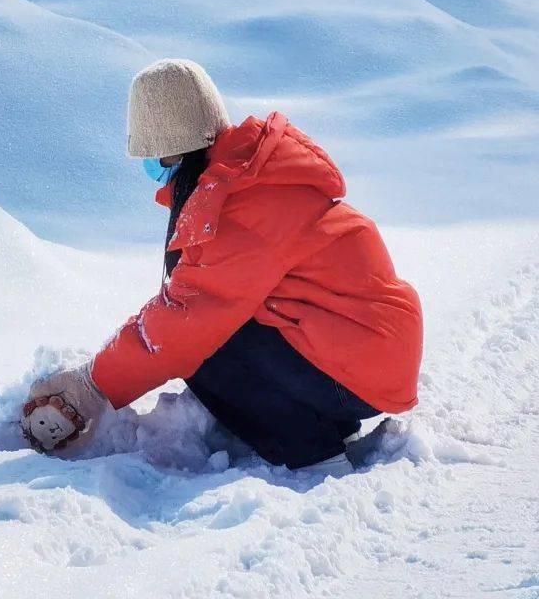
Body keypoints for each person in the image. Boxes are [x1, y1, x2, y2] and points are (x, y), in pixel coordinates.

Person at [27, 59, 423, 469]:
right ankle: (328, 425)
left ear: (172, 152)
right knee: (215, 333)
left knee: (202, 349)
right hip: (363, 357)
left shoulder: (244, 202)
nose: (148, 167)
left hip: (362, 372)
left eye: (152, 155)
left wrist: (92, 385)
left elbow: (182, 322)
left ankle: (314, 454)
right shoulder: (248, 177)